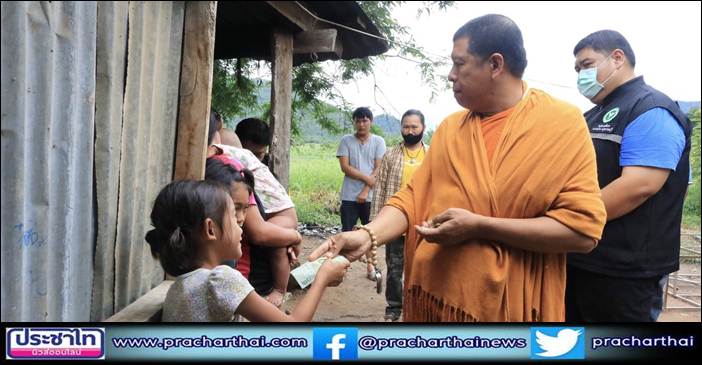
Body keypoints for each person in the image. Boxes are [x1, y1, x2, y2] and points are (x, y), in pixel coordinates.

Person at [310, 14, 606, 322]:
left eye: (459, 63)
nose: (451, 75)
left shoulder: (561, 124)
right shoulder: (452, 128)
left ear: (495, 64)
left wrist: (480, 226)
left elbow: (582, 232)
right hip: (437, 302)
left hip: (512, 309)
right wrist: (368, 234)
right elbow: (412, 198)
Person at [567, 30, 692, 322]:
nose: (580, 75)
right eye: (576, 70)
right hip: (582, 259)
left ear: (617, 58)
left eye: (586, 64)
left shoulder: (650, 108)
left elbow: (640, 185)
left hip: (627, 271)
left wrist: (566, 219)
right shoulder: (592, 116)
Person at [145, 180, 349, 322]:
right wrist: (322, 279)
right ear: (210, 229)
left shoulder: (180, 286)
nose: (241, 223)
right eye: (233, 216)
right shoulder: (221, 280)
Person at [207, 111, 301, 308]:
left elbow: (259, 234)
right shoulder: (233, 163)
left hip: (282, 215)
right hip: (275, 216)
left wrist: (294, 237)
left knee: (277, 245)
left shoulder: (231, 160)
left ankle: (279, 289)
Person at [370, 109, 429, 322]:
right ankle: (394, 309)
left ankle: (419, 307)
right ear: (401, 128)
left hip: (423, 221)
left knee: (422, 268)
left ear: (423, 128)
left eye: (414, 126)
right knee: (395, 268)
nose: (410, 130)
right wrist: (375, 225)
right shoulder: (391, 155)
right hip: (394, 220)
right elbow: (379, 189)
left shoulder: (432, 155)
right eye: (406, 126)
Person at [337, 107, 386, 279]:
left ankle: (370, 268)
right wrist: (367, 179)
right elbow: (345, 167)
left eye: (365, 120)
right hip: (349, 195)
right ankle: (340, 268)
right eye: (358, 120)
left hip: (371, 196)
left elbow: (379, 168)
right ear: (354, 122)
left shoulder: (379, 141)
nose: (361, 124)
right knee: (347, 232)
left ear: (371, 122)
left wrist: (365, 190)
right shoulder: (346, 141)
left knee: (370, 233)